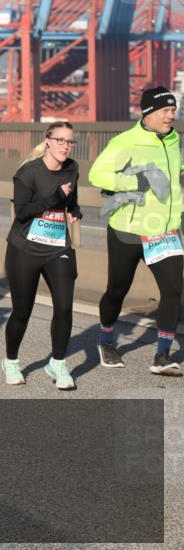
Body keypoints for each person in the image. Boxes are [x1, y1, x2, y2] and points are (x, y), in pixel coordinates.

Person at [89, 86, 182, 376]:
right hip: (127, 231)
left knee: (174, 290)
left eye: (173, 110)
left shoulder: (174, 141)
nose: (171, 115)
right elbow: (97, 174)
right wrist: (133, 183)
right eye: (166, 110)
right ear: (149, 112)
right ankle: (106, 339)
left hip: (164, 232)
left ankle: (162, 356)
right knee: (117, 290)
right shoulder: (125, 142)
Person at [2, 121, 81, 389]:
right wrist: (55, 197)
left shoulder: (72, 168)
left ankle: (58, 363)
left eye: (69, 142)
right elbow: (22, 212)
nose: (65, 146)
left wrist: (74, 210)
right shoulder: (28, 173)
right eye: (60, 140)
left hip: (58, 247)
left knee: (65, 306)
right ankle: (11, 361)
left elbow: (71, 200)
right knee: (22, 312)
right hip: (25, 249)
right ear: (47, 140)